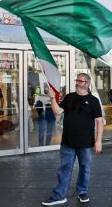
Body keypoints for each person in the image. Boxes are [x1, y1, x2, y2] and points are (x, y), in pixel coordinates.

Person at [42, 73, 103, 206]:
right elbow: (57, 111)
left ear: (87, 84)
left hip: (86, 143)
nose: (77, 83)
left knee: (84, 168)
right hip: (68, 141)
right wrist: (52, 98)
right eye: (77, 80)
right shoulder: (69, 97)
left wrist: (98, 141)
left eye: (80, 81)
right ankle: (59, 195)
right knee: (64, 169)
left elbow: (99, 121)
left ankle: (82, 191)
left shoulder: (93, 101)